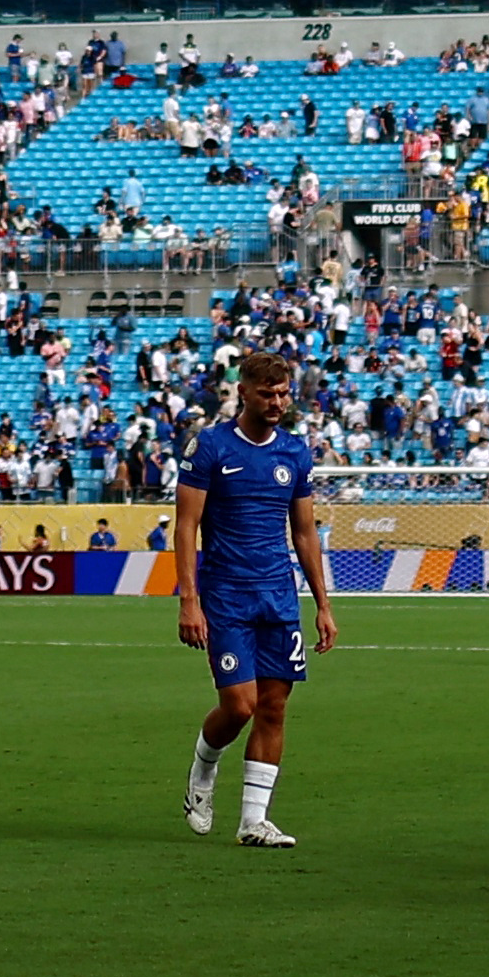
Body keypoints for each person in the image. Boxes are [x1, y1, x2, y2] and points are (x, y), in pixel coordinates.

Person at [170, 349, 332, 847]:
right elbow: (186, 526)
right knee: (239, 706)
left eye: (283, 393)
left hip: (279, 598)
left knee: (275, 708)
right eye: (268, 393)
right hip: (226, 596)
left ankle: (253, 822)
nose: (278, 402)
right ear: (243, 392)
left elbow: (304, 534)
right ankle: (203, 771)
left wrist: (324, 605)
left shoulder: (295, 451)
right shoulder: (211, 447)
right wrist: (188, 600)